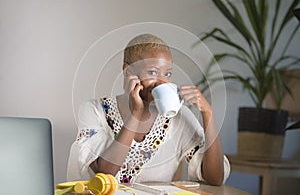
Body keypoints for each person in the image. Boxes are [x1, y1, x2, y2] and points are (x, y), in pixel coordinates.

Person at [67, 33, 230, 186]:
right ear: (128, 71)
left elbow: (215, 178)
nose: (162, 82)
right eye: (153, 72)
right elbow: (103, 175)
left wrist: (208, 113)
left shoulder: (178, 118)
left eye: (167, 74)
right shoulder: (93, 111)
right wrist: (135, 115)